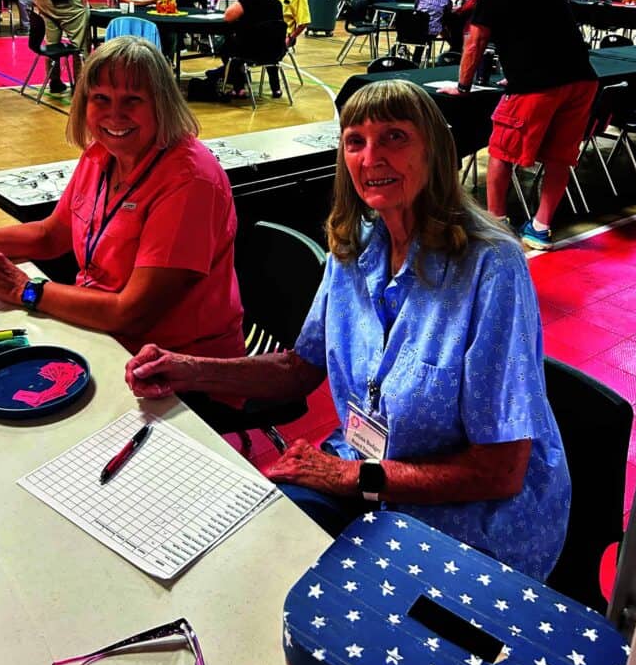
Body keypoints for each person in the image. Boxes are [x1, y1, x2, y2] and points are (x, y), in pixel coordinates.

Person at [125, 79, 570, 580]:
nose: (370, 156)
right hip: (371, 475)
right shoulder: (357, 244)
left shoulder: (492, 267)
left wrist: (351, 476)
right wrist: (188, 370)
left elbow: (502, 471)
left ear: (436, 152)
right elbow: (299, 369)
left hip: (471, 520)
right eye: (355, 141)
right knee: (253, 552)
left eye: (395, 137)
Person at [0, 37, 246, 362]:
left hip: (176, 363)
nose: (114, 115)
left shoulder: (189, 182)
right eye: (100, 99)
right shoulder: (103, 154)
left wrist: (24, 290)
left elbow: (132, 313)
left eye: (132, 100)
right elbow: (51, 235)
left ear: (162, 105)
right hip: (102, 333)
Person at [441, 0, 598, 250]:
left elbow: (475, 41)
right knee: (559, 157)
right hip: (581, 81)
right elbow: (546, 35)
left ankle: (496, 224)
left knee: (501, 152)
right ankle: (540, 228)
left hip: (537, 86)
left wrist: (463, 87)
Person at [220, 0, 285, 97]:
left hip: (249, 50)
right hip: (272, 52)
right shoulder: (278, 4)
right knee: (268, 42)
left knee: (227, 48)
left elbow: (228, 16)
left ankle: (239, 87)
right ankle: (276, 88)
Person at [273, 0, 310, 97]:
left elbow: (304, 22)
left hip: (284, 35)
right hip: (267, 31)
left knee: (269, 52)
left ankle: (275, 86)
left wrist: (290, 38)